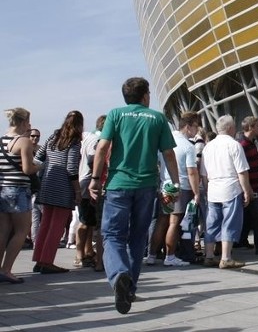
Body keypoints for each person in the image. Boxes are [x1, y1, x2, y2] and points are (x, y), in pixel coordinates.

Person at [90, 77, 179, 314]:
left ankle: (119, 275)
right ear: (145, 95)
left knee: (112, 235)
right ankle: (130, 286)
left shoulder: (115, 114)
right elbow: (168, 154)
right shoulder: (158, 118)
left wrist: (95, 179)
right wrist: (175, 182)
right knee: (138, 237)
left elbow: (102, 147)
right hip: (147, 185)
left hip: (118, 183)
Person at [33, 111, 84, 274]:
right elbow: (71, 168)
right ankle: (47, 261)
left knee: (45, 224)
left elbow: (39, 157)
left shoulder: (53, 136)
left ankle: (39, 259)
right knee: (57, 226)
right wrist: (77, 191)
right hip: (62, 188)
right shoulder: (74, 142)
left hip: (47, 184)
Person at [201, 115, 252, 269]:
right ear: (230, 128)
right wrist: (247, 190)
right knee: (229, 222)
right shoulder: (234, 145)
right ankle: (226, 257)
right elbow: (242, 171)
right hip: (230, 187)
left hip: (213, 189)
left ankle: (209, 255)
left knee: (211, 223)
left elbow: (204, 174)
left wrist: (207, 189)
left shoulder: (208, 146)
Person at [0, 108, 39, 284]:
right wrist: (41, 165)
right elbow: (28, 169)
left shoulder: (1, 140)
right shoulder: (23, 141)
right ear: (24, 122)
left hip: (3, 189)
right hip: (19, 190)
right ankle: (6, 270)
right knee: (22, 231)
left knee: (3, 231)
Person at [163, 112, 202, 266]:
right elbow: (192, 172)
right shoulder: (188, 146)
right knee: (180, 222)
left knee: (164, 221)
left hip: (166, 185)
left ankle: (154, 254)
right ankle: (173, 255)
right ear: (188, 126)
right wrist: (197, 192)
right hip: (182, 187)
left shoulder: (168, 141)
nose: (197, 130)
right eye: (195, 126)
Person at [236, 116, 258, 254]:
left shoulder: (250, 143)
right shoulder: (243, 145)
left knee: (250, 216)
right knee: (257, 216)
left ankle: (242, 240)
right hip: (250, 186)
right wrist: (248, 188)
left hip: (254, 184)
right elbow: (242, 169)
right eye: (257, 126)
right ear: (250, 127)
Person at [76, 115, 105, 271]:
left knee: (89, 221)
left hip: (85, 182)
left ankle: (87, 251)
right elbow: (93, 161)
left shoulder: (88, 137)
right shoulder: (96, 140)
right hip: (89, 184)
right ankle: (80, 254)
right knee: (85, 221)